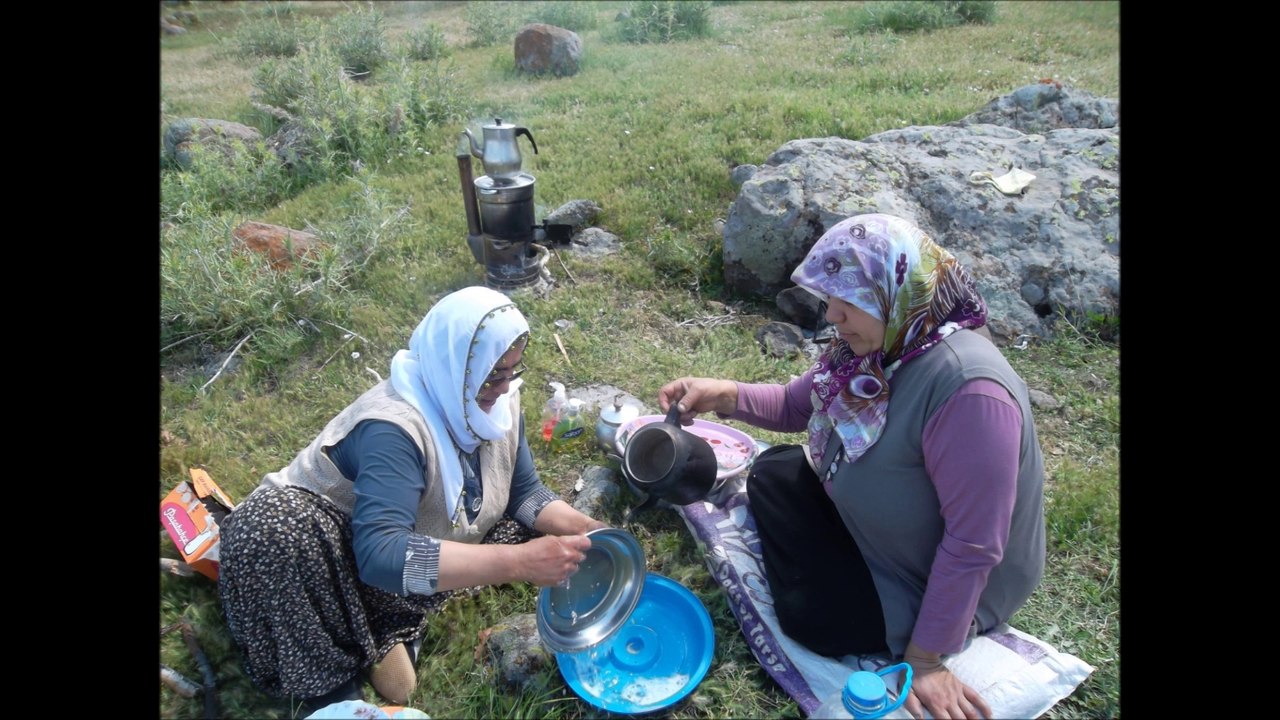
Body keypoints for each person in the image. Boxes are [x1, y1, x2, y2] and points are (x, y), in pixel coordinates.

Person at [659, 214, 1045, 720]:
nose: (834, 316)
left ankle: (898, 618)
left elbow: (974, 544)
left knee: (812, 619)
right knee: (775, 470)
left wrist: (926, 660)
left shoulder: (969, 391)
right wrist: (723, 395)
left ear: (900, 291)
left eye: (852, 301)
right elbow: (798, 406)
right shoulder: (883, 341)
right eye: (830, 299)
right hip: (883, 535)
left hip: (930, 576)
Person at [217, 286, 606, 712]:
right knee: (270, 529)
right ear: (455, 366)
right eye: (492, 375)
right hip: (332, 546)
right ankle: (332, 684)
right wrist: (519, 563)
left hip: (407, 536)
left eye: (512, 371)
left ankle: (374, 625)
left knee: (521, 531)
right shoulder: (395, 429)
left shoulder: (499, 404)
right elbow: (381, 555)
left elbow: (522, 491)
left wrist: (592, 531)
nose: (503, 386)